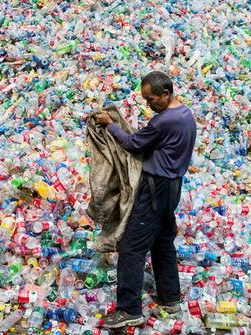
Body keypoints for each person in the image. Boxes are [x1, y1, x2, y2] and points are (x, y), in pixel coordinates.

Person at [93, 71, 197, 328]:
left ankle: (129, 310)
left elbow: (132, 143)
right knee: (162, 242)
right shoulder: (185, 114)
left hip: (155, 188)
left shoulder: (164, 121)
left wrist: (110, 123)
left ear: (166, 94)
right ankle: (170, 298)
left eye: (151, 99)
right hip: (173, 186)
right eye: (145, 99)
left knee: (132, 246)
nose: (148, 105)